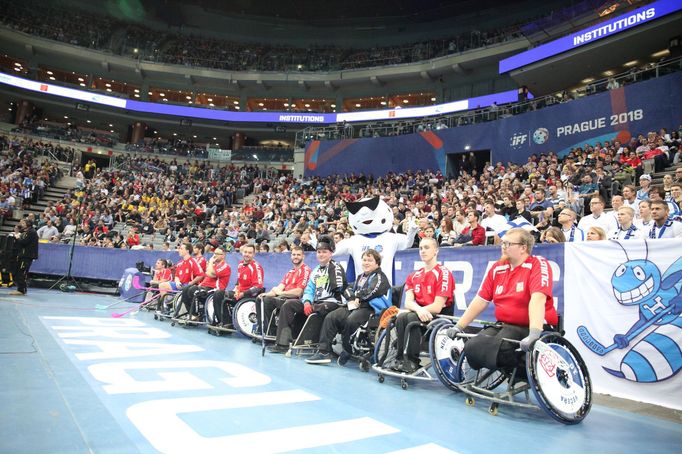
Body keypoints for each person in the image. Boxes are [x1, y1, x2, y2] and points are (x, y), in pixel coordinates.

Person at [446, 228, 557, 375]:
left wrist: (534, 335)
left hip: (530, 326)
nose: (502, 247)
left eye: (507, 244)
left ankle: (524, 371)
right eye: (502, 243)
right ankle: (510, 368)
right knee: (472, 346)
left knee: (500, 348)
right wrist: (459, 326)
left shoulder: (538, 264)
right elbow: (480, 300)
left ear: (523, 248)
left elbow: (538, 299)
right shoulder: (498, 267)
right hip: (505, 325)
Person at [307, 249, 391, 365]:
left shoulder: (380, 277)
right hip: (357, 307)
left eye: (370, 260)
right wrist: (351, 296)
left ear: (377, 263)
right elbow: (350, 288)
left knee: (351, 320)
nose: (366, 263)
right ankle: (324, 351)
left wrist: (357, 296)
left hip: (371, 309)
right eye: (364, 260)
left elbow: (372, 291)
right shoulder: (361, 277)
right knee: (332, 316)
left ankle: (348, 349)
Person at [385, 237, 454, 373]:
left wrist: (418, 311)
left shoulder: (443, 273)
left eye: (427, 248)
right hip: (420, 313)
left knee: (410, 318)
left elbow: (437, 307)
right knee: (401, 317)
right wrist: (418, 309)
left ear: (436, 251)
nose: (422, 251)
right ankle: (399, 358)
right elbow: (408, 302)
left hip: (438, 316)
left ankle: (412, 361)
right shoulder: (413, 275)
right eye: (421, 248)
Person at [269, 235, 346, 354]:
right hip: (316, 301)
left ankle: (321, 347)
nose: (321, 254)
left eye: (324, 252)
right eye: (319, 252)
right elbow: (309, 290)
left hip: (332, 302)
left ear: (331, 253)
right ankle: (282, 343)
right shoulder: (315, 271)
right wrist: (306, 302)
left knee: (319, 308)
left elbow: (340, 290)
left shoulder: (335, 268)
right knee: (289, 305)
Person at [256, 245, 311, 337]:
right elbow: (279, 287)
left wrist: (280, 293)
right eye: (293, 254)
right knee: (261, 298)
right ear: (291, 256)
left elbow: (299, 292)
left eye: (298, 255)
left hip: (295, 301)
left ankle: (272, 333)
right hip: (284, 298)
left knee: (267, 301)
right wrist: (267, 294)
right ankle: (264, 330)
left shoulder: (305, 270)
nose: (295, 257)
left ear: (303, 256)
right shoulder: (290, 272)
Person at [213, 244, 264, 326]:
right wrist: (236, 289)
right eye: (245, 252)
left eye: (250, 253)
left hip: (249, 296)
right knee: (218, 294)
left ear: (254, 254)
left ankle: (227, 324)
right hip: (239, 293)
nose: (247, 254)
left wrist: (242, 294)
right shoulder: (240, 264)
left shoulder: (256, 267)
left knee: (220, 294)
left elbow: (258, 287)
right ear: (242, 253)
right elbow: (238, 281)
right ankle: (224, 321)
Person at [178, 248, 231, 321]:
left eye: (217, 254)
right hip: (204, 286)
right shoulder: (213, 265)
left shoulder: (225, 266)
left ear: (223, 255)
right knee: (186, 289)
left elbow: (212, 274)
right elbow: (207, 274)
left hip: (214, 288)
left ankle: (195, 315)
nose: (214, 255)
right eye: (214, 253)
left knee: (193, 290)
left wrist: (210, 263)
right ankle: (192, 313)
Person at [10, 219, 38, 296]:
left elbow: (24, 242)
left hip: (26, 256)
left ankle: (21, 290)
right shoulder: (25, 231)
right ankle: (21, 289)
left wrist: (18, 237)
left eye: (23, 223)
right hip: (22, 255)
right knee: (16, 272)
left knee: (21, 273)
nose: (21, 224)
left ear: (28, 224)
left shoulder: (31, 232)